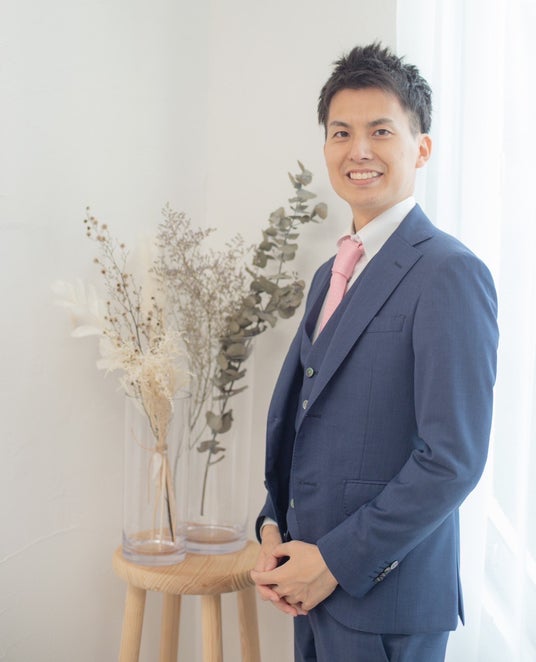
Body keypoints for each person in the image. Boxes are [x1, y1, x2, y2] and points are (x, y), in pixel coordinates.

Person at [250, 43, 499, 662]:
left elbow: (452, 460)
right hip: (307, 590)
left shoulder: (450, 272)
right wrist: (273, 525)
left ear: (422, 148)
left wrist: (334, 562)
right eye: (341, 133)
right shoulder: (329, 274)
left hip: (385, 605)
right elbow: (310, 420)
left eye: (380, 131)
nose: (358, 150)